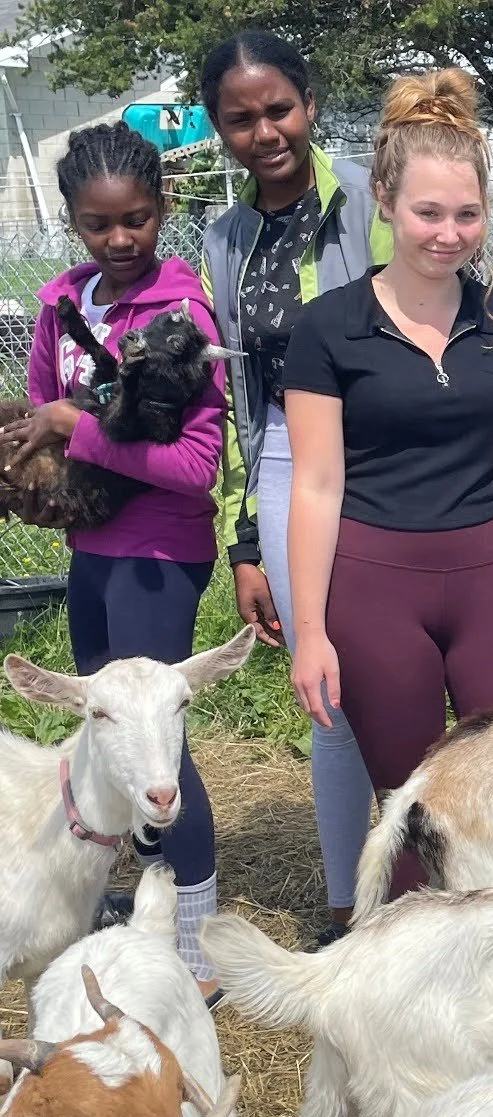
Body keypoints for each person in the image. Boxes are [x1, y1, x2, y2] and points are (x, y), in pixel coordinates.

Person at [283, 67, 493, 900]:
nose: (448, 233)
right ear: (385, 201)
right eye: (429, 212)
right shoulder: (329, 328)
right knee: (412, 809)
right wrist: (312, 629)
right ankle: (409, 990)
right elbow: (316, 485)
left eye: (468, 214)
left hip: (485, 577)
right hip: (373, 586)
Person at [0, 122, 230, 1002]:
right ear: (72, 222)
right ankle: (135, 910)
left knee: (157, 741)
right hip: (90, 544)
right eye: (99, 225)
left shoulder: (181, 319)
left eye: (136, 219)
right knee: (110, 736)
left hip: (160, 547)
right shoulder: (62, 304)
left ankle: (197, 944)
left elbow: (192, 465)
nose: (120, 239)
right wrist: (35, 459)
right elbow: (48, 417)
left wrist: (75, 427)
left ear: (163, 209)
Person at [199, 30, 390, 947]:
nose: (264, 131)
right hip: (282, 461)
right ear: (217, 127)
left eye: (278, 109)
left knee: (409, 673)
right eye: (240, 118)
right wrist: (244, 540)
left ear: (309, 103)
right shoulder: (224, 235)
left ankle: (435, 891)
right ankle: (350, 906)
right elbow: (237, 395)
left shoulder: (371, 197)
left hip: (391, 457)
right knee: (332, 689)